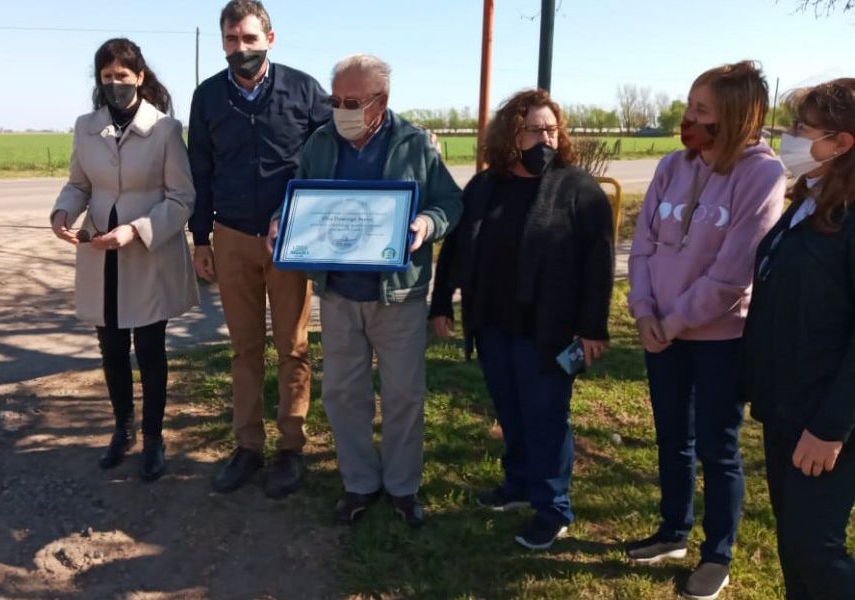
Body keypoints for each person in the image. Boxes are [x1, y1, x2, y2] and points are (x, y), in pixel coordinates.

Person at [268, 54, 462, 527]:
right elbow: (300, 195)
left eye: (352, 101)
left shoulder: (416, 144)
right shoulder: (319, 143)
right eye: (335, 100)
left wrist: (426, 222)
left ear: (382, 101)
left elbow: (451, 201)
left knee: (402, 396)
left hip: (398, 296)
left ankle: (401, 487)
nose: (341, 110)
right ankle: (359, 483)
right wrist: (282, 220)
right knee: (343, 393)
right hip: (337, 295)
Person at [625, 60, 786, 599]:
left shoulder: (763, 175)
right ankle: (673, 530)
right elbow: (642, 246)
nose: (687, 118)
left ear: (738, 117)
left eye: (701, 110)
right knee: (672, 437)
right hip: (659, 333)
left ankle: (717, 552)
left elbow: (732, 274)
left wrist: (672, 321)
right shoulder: (673, 165)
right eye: (689, 106)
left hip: (719, 339)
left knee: (717, 447)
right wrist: (645, 310)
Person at [429, 89, 614, 550]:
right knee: (510, 408)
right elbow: (455, 247)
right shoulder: (484, 186)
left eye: (551, 129)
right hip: (492, 322)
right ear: (511, 134)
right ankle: (517, 485)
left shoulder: (577, 187)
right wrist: (440, 302)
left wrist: (592, 328)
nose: (545, 138)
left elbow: (599, 262)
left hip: (548, 330)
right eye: (534, 129)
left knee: (546, 416)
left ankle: (554, 507)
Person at [187, 0, 332, 497]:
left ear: (270, 39)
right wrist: (200, 238)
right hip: (230, 236)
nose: (240, 49)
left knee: (292, 347)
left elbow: (327, 156)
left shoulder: (304, 90)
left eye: (249, 39)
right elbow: (199, 171)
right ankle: (248, 446)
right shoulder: (207, 97)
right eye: (232, 40)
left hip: (290, 238)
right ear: (223, 42)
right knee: (244, 347)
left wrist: (304, 214)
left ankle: (290, 448)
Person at [50, 38, 198, 481]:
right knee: (112, 348)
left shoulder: (166, 130)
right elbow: (79, 184)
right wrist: (62, 213)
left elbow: (182, 197)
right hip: (100, 256)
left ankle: (154, 437)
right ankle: (123, 429)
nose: (115, 84)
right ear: (99, 79)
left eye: (123, 75)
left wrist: (136, 230)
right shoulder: (86, 126)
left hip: (147, 255)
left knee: (150, 349)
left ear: (140, 77)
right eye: (107, 76)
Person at [741, 78, 855, 600]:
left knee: (815, 546)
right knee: (793, 544)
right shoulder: (810, 202)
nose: (788, 136)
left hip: (828, 420)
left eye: (801, 128)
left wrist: (831, 427)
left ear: (841, 142)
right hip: (787, 407)